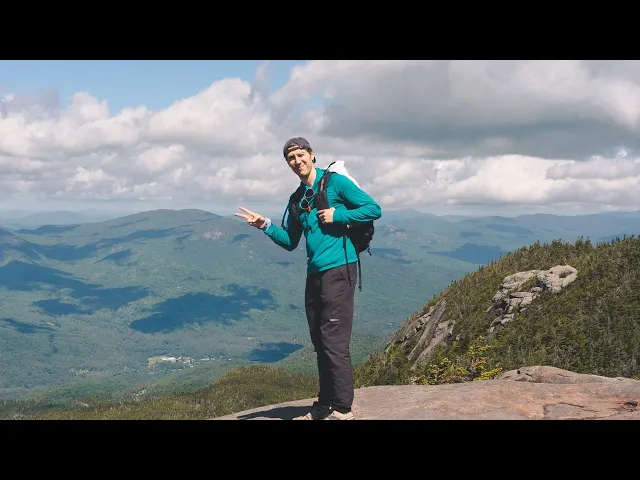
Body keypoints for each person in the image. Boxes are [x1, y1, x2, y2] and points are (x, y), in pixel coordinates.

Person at [234, 137, 382, 420]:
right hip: (314, 275)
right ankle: (325, 404)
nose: (297, 161)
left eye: (301, 155)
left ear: (312, 155)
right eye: (291, 158)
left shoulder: (335, 183)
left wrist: (339, 214)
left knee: (333, 340)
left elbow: (374, 209)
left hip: (340, 268)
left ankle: (343, 409)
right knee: (319, 341)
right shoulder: (297, 199)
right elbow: (290, 241)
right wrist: (264, 225)